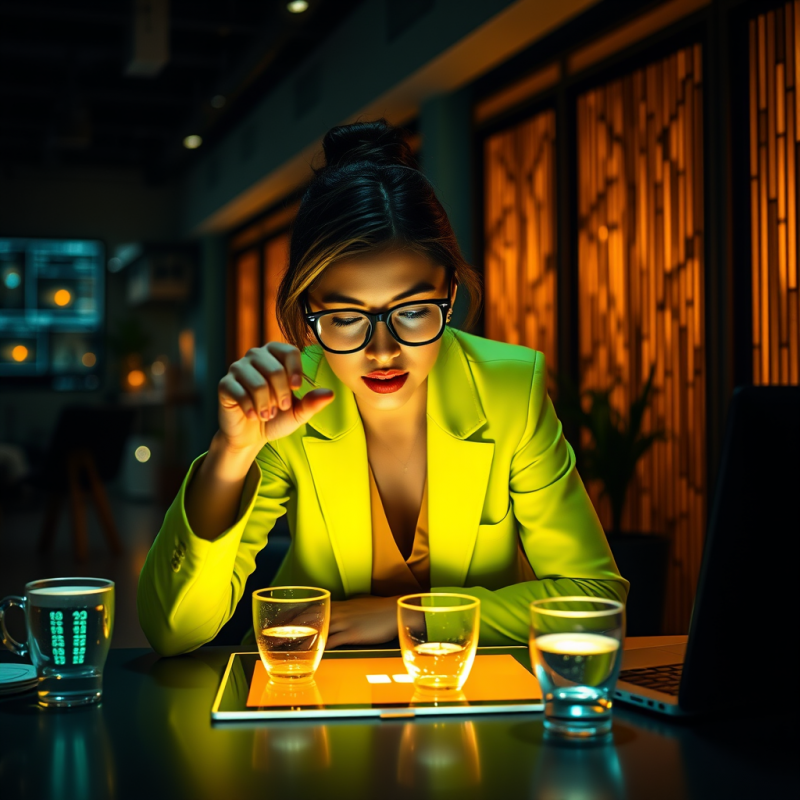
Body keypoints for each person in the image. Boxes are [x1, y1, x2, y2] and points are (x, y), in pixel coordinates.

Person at [137, 119, 628, 657]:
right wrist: (231, 454)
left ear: (451, 291)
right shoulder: (289, 401)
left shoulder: (511, 390)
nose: (383, 350)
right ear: (308, 311)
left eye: (413, 311)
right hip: (317, 699)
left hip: (477, 704)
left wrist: (411, 619)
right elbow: (175, 632)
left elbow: (594, 604)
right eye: (346, 318)